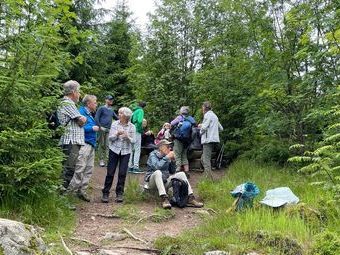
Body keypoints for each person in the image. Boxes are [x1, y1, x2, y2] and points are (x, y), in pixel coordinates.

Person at [144, 140, 203, 209]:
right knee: (158, 172)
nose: (170, 149)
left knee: (181, 174)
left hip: (164, 181)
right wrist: (166, 158)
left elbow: (172, 171)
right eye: (167, 147)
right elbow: (156, 167)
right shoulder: (153, 155)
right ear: (160, 148)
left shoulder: (166, 157)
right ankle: (164, 199)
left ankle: (190, 197)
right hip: (152, 183)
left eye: (170, 147)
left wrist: (173, 161)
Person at [68, 95, 99, 202]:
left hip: (91, 144)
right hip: (83, 144)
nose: (96, 104)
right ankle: (70, 193)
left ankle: (82, 191)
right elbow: (77, 127)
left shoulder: (90, 114)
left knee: (89, 169)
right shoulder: (80, 112)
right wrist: (92, 128)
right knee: (80, 168)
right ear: (88, 103)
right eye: (95, 102)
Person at [101, 107, 136, 203]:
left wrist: (127, 137)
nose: (119, 114)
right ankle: (105, 192)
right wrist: (117, 134)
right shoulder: (115, 124)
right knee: (110, 172)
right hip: (114, 150)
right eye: (119, 113)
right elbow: (110, 138)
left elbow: (134, 141)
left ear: (126, 116)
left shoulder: (132, 126)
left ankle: (119, 193)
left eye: (121, 113)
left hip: (126, 152)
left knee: (122, 173)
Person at [57, 80, 87, 189]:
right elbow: (81, 121)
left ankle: (60, 195)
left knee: (69, 168)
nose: (79, 94)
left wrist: (82, 119)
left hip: (72, 141)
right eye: (78, 91)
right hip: (70, 141)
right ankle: (60, 196)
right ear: (73, 92)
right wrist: (83, 119)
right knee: (68, 169)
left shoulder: (69, 103)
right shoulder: (68, 103)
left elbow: (80, 120)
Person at [198, 101, 223, 180]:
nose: (202, 109)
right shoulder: (215, 116)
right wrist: (214, 132)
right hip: (213, 140)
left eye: (202, 107)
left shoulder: (207, 115)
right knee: (203, 158)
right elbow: (221, 128)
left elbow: (204, 127)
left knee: (205, 160)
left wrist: (200, 127)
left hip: (207, 140)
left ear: (205, 108)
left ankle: (208, 178)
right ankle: (208, 174)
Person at [170, 106, 196, 176]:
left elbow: (171, 123)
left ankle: (178, 171)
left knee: (177, 154)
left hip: (178, 139)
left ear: (181, 111)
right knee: (184, 155)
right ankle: (187, 172)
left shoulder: (179, 117)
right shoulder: (191, 119)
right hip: (187, 140)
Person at [95, 95, 118, 167]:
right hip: (102, 128)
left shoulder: (111, 109)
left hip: (109, 129)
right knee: (102, 145)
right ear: (106, 100)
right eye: (109, 99)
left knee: (108, 145)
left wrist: (125, 117)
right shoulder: (101, 108)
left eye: (112, 100)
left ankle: (108, 160)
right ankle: (101, 160)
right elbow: (96, 117)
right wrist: (99, 127)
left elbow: (116, 118)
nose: (111, 101)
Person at [128, 101, 146, 173]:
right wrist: (140, 129)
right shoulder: (141, 111)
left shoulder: (134, 111)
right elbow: (139, 121)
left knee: (131, 149)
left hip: (131, 129)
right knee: (137, 149)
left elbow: (131, 120)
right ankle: (136, 167)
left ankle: (130, 166)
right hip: (137, 130)